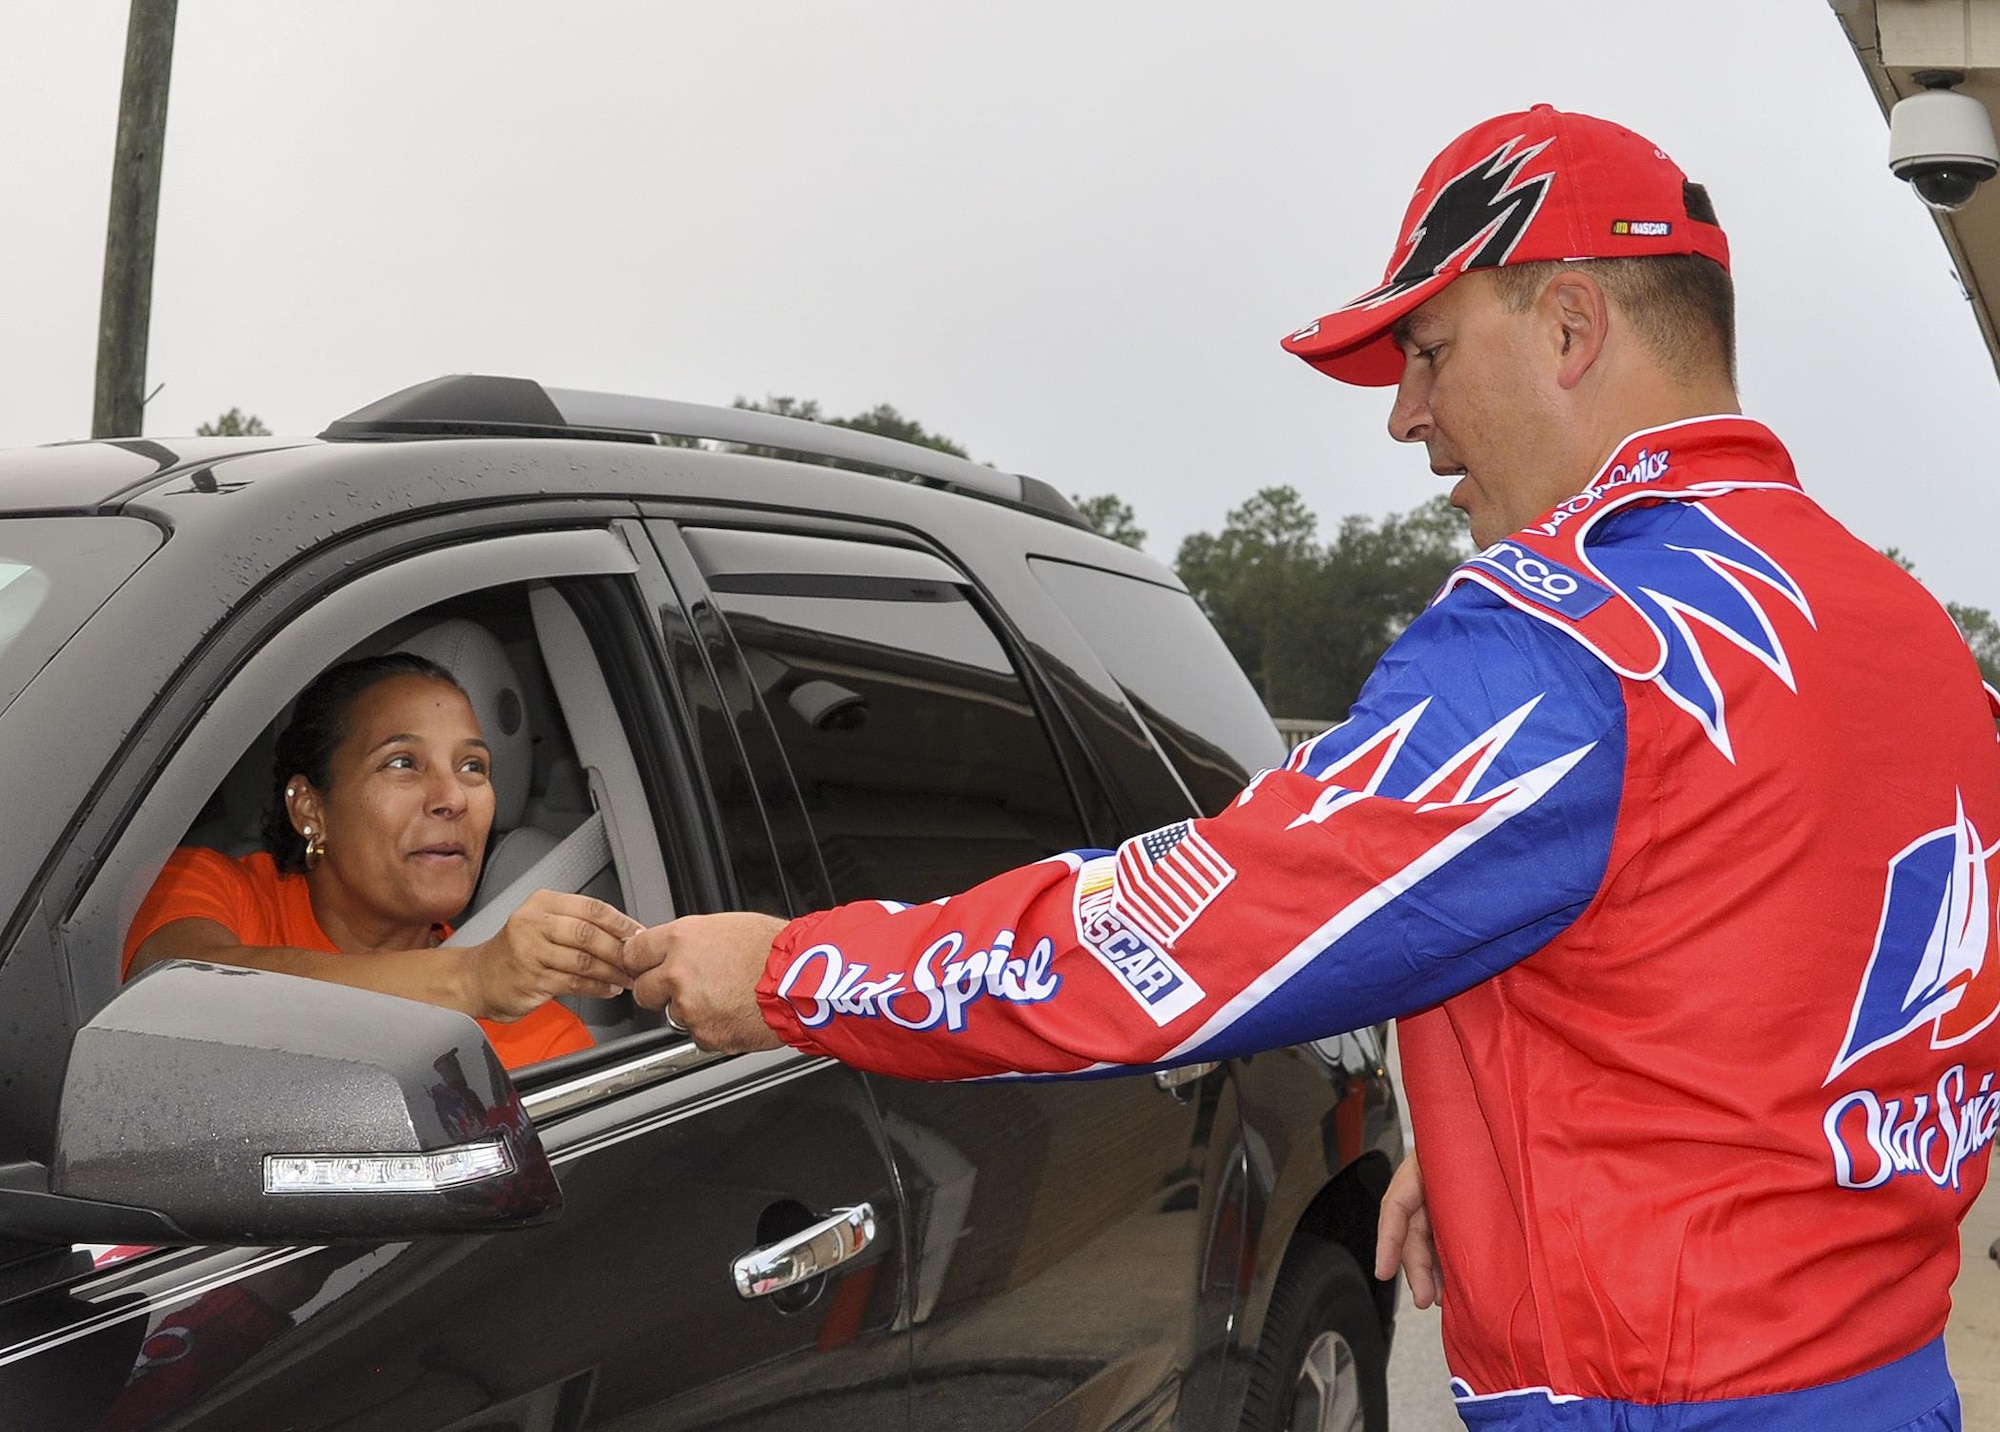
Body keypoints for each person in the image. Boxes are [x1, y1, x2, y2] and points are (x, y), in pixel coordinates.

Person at [619, 106, 2000, 1430]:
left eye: (1430, 351)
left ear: (1572, 326)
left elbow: (1170, 942)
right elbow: (1752, 974)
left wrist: (793, 971)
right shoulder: (1914, 635)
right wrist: (1499, 1179)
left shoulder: (1571, 637)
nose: (1407, 418)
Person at [125, 651, 642, 1071]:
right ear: (310, 808)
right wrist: (468, 982)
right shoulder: (208, 888)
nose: (453, 798)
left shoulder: (543, 1038)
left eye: (472, 767)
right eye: (402, 762)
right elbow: (176, 994)